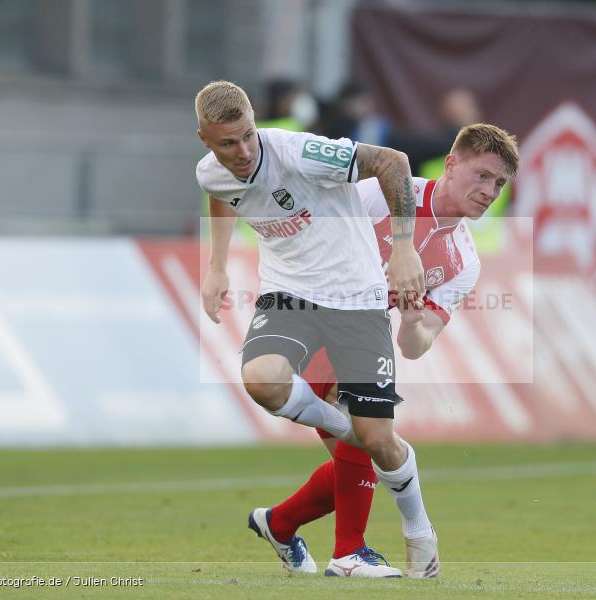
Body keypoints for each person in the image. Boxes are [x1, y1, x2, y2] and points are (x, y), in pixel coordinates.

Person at [253, 124, 520, 577]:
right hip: (311, 307)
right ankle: (350, 552)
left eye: (499, 184)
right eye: (482, 176)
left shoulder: (465, 262)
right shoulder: (385, 193)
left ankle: (280, 523)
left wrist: (415, 321)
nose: (490, 191)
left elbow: (416, 347)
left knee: (369, 446)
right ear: (451, 163)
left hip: (361, 334)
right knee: (362, 419)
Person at [194, 81, 436, 578]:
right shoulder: (211, 171)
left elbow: (392, 162)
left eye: (247, 137)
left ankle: (419, 533)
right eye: (226, 144)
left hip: (356, 299)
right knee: (261, 378)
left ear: (255, 121)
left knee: (380, 441)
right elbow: (221, 192)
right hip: (289, 296)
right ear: (205, 140)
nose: (241, 152)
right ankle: (349, 551)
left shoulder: (299, 151)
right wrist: (217, 265)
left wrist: (406, 248)